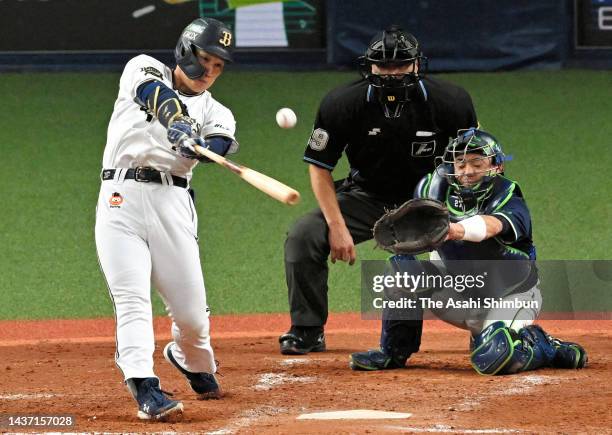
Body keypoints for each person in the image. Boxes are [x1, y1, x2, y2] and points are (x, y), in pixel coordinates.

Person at [280, 25, 478, 355]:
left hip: (431, 199)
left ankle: (485, 326)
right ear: (369, 66)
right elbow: (319, 166)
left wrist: (463, 215)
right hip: (367, 196)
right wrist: (337, 226)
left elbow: (474, 160)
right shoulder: (342, 103)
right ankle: (307, 329)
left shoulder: (450, 101)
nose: (392, 74)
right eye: (384, 66)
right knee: (304, 235)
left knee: (479, 235)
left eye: (401, 65)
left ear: (417, 65)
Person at [349, 128, 588, 375]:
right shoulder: (434, 190)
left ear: (496, 166)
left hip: (510, 297)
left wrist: (455, 230)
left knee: (498, 356)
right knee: (401, 268)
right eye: (461, 164)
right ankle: (393, 352)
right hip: (458, 294)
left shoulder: (508, 195)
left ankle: (543, 345)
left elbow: (492, 225)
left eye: (476, 163)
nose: (468, 171)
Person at [95, 18, 238, 421]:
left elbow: (221, 140)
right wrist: (176, 123)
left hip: (172, 204)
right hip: (120, 199)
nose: (209, 73)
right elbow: (155, 94)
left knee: (193, 317)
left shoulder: (218, 111)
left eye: (219, 66)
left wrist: (201, 145)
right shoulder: (142, 67)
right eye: (205, 60)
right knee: (132, 298)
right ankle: (144, 385)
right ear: (186, 52)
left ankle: (189, 359)